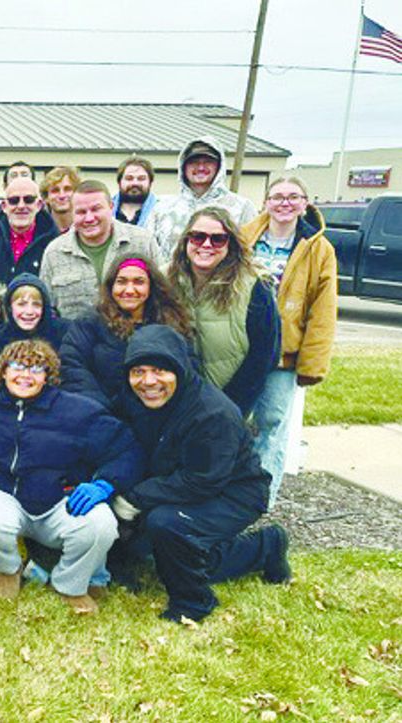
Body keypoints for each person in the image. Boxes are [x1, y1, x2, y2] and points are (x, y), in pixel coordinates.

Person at [115, 324, 291, 623]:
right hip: (181, 482)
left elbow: (202, 480)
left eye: (160, 370)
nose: (148, 381)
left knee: (167, 526)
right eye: (138, 371)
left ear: (179, 370)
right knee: (165, 554)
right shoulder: (139, 399)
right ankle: (266, 547)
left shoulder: (211, 413)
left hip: (234, 493)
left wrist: (135, 498)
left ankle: (193, 602)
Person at [0, 339, 143, 614]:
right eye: (18, 366)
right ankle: (8, 570)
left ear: (48, 376)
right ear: (3, 371)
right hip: (3, 496)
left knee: (101, 524)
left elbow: (127, 448)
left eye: (36, 369)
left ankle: (70, 584)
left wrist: (105, 484)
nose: (25, 375)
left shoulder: (78, 411)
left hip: (60, 499)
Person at [240, 177, 338, 504]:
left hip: (283, 353)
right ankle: (227, 489)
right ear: (266, 202)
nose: (284, 203)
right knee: (232, 419)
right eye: (277, 197)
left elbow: (322, 311)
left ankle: (260, 497)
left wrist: (312, 362)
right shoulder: (244, 239)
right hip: (241, 348)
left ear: (305, 202)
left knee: (271, 424)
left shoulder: (319, 249)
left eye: (293, 197)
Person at [167, 207, 280, 418]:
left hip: (231, 403)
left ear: (231, 244)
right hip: (174, 404)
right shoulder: (164, 280)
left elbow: (264, 355)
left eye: (218, 239)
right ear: (186, 241)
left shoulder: (254, 285)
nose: (206, 245)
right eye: (198, 237)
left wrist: (230, 408)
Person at [60, 254, 192, 410]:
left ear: (151, 286)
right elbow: (71, 364)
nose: (129, 290)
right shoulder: (91, 322)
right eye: (121, 282)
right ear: (111, 286)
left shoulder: (170, 322)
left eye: (139, 282)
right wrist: (99, 407)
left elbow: (189, 368)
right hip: (103, 414)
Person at [40, 180, 158, 321]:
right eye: (81, 212)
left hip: (135, 337)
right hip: (74, 339)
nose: (89, 218)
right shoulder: (54, 253)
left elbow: (162, 296)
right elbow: (47, 309)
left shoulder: (142, 242)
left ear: (111, 207)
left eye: (96, 209)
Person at [147, 137, 258, 259]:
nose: (200, 167)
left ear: (219, 166)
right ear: (183, 166)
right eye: (194, 162)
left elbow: (249, 253)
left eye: (208, 161)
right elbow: (149, 251)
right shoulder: (162, 207)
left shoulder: (242, 207)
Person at [0, 274, 67, 396]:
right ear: (10, 307)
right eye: (21, 304)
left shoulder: (64, 333)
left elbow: (73, 379)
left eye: (36, 305)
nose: (29, 312)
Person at [0, 176, 60, 286]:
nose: (21, 206)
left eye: (28, 200)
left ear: (39, 205)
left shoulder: (55, 245)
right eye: (14, 201)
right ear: (4, 206)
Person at [113, 156, 157, 227]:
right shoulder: (105, 210)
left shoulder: (161, 212)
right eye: (129, 178)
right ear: (119, 182)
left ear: (150, 182)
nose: (135, 183)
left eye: (141, 179)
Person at [40, 166, 81, 234]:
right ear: (46, 197)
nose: (62, 195)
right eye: (55, 190)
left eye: (67, 189)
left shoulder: (86, 229)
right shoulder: (38, 231)